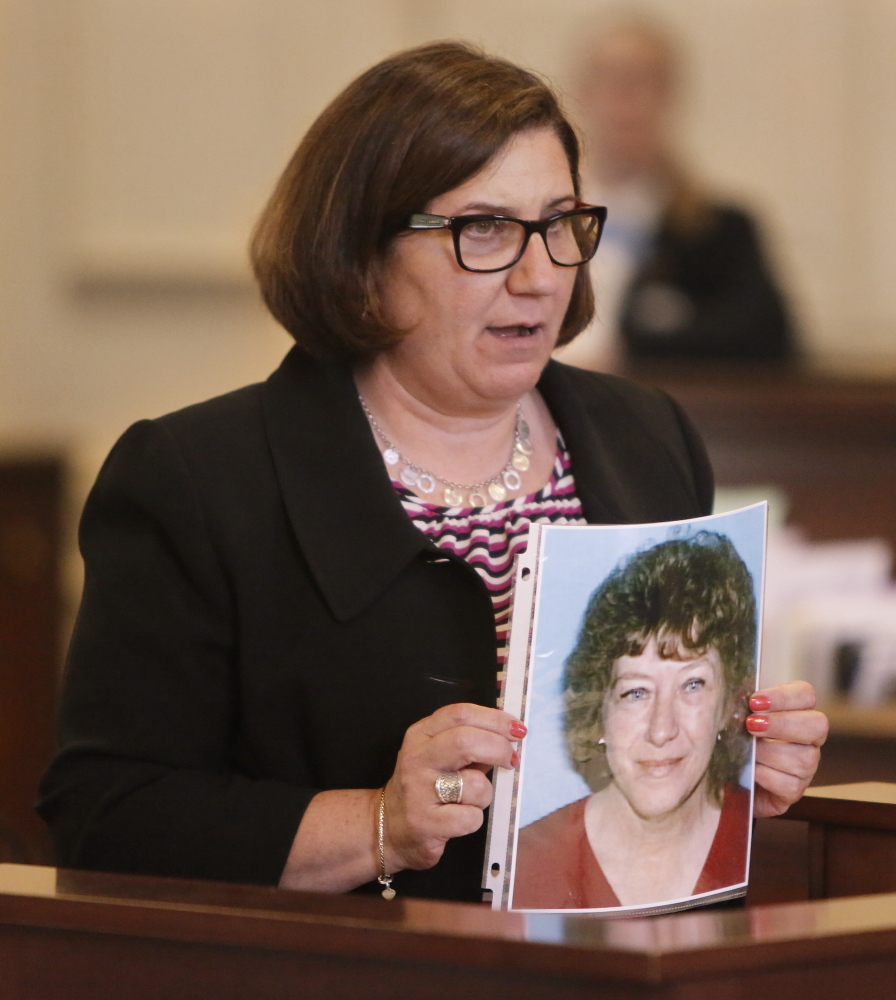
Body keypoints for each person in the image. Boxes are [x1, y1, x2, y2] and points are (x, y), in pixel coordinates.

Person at [38, 42, 826, 904]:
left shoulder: (647, 436)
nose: (538, 276)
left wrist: (734, 760)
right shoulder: (196, 479)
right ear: (362, 253)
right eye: (483, 230)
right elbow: (107, 816)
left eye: (559, 224)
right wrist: (380, 823)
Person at [514, 532, 755, 909]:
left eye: (692, 685)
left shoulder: (769, 843)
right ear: (601, 711)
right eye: (635, 693)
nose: (662, 730)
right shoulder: (528, 864)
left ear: (729, 706)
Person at [554, 15, 796, 369]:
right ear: (582, 91)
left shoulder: (717, 229)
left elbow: (768, 337)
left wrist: (635, 349)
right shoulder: (544, 215)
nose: (627, 96)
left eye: (646, 80)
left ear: (671, 96)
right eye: (612, 78)